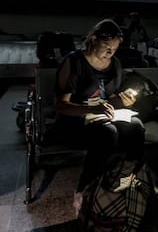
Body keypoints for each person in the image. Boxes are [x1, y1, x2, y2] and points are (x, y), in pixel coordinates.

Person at [43, 19, 146, 216]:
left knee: (136, 126)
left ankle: (128, 176)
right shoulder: (74, 63)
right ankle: (84, 189)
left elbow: (110, 99)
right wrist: (92, 109)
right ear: (93, 40)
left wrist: (123, 101)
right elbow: (60, 106)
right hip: (73, 121)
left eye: (115, 48)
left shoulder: (114, 63)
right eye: (106, 46)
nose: (111, 52)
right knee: (107, 133)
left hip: (102, 116)